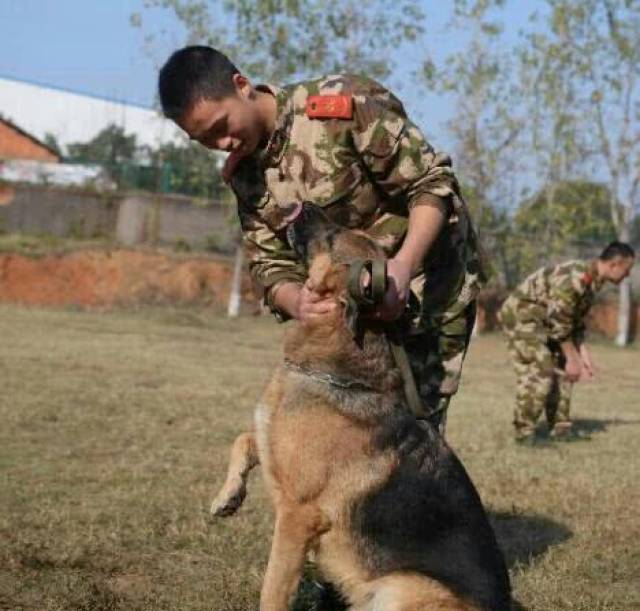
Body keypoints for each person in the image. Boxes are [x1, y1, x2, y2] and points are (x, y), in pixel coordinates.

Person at [158, 45, 486, 434]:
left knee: (416, 422)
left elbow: (431, 183)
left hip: (429, 273)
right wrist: (297, 301)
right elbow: (269, 264)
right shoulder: (246, 174)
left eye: (221, 127)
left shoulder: (341, 108)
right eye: (206, 141)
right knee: (356, 423)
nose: (222, 144)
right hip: (352, 299)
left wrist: (402, 266)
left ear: (242, 86)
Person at [498, 242, 635, 446]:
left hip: (546, 322)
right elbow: (559, 321)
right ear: (615, 264)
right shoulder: (577, 277)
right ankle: (524, 432)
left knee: (565, 368)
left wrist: (583, 358)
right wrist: (572, 358)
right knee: (541, 368)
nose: (628, 275)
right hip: (523, 317)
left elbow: (574, 324)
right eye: (627, 270)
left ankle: (560, 428)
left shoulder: (591, 283)